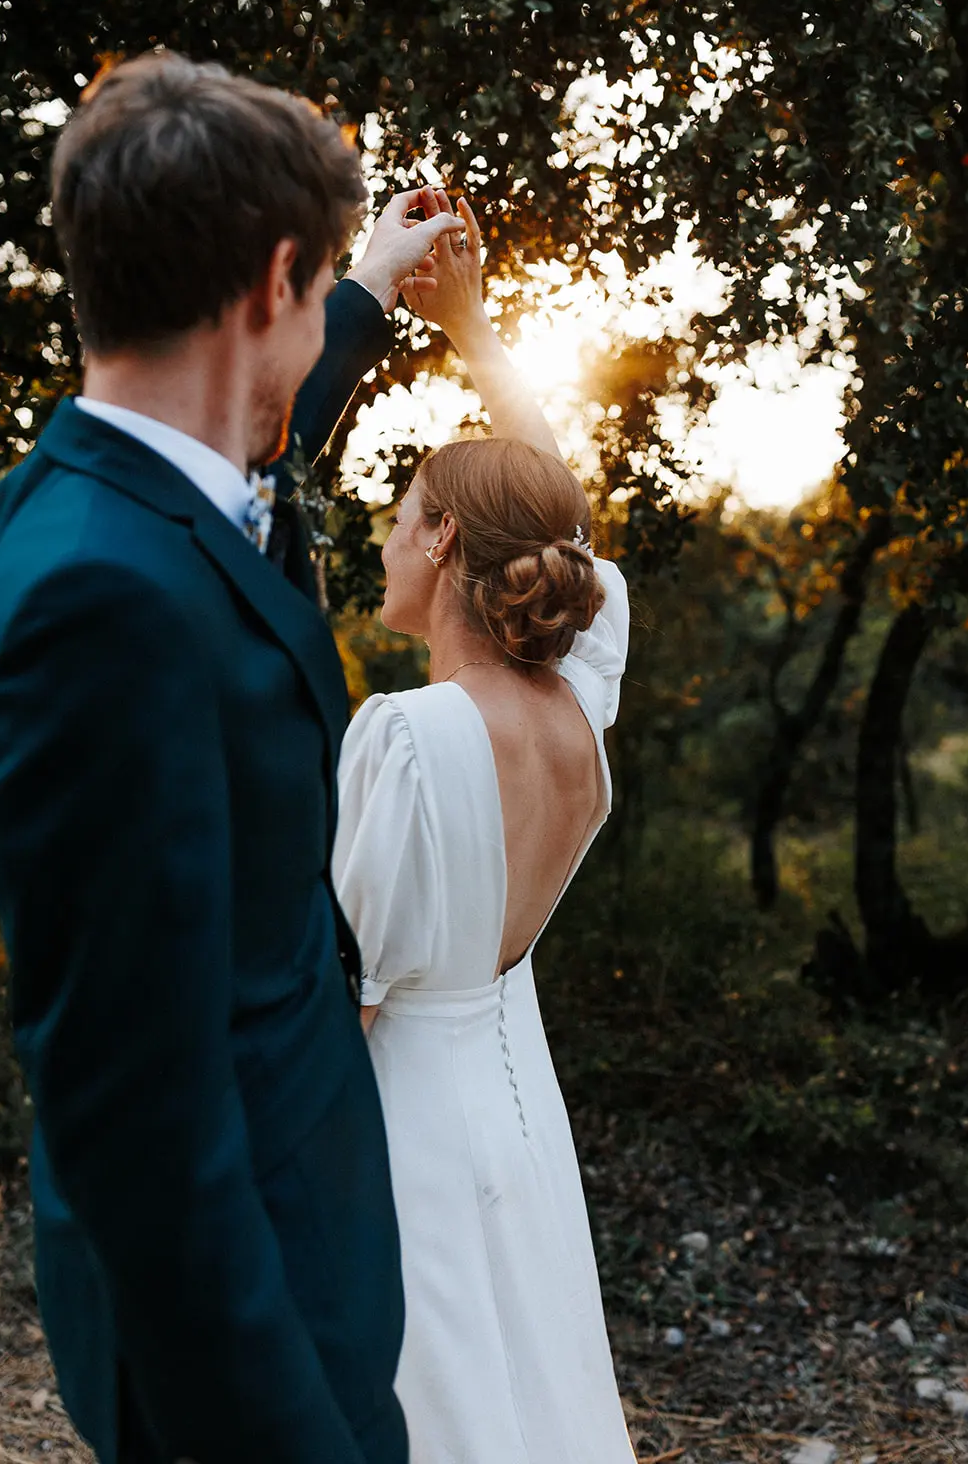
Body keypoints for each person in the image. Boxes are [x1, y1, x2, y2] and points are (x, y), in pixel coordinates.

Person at [0, 51, 464, 1464]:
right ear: (258, 290)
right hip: (245, 1357)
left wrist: (356, 294)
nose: (309, 337)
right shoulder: (95, 612)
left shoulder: (95, 495)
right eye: (306, 303)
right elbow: (140, 1130)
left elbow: (241, 448)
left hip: (296, 1276)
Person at [333, 192, 639, 1463]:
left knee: (427, 1404)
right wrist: (470, 328)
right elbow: (560, 515)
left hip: (401, 1117)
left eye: (401, 513)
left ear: (445, 534)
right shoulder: (580, 701)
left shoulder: (405, 737)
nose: (383, 534)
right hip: (519, 1100)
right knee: (531, 1380)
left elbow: (348, 989)